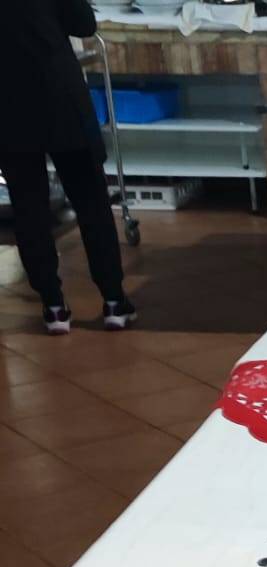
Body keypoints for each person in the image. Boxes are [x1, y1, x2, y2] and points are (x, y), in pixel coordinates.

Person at [0, 0, 137, 333]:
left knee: (28, 207)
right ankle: (114, 300)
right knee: (91, 201)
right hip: (59, 93)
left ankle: (53, 306)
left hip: (8, 102)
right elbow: (84, 24)